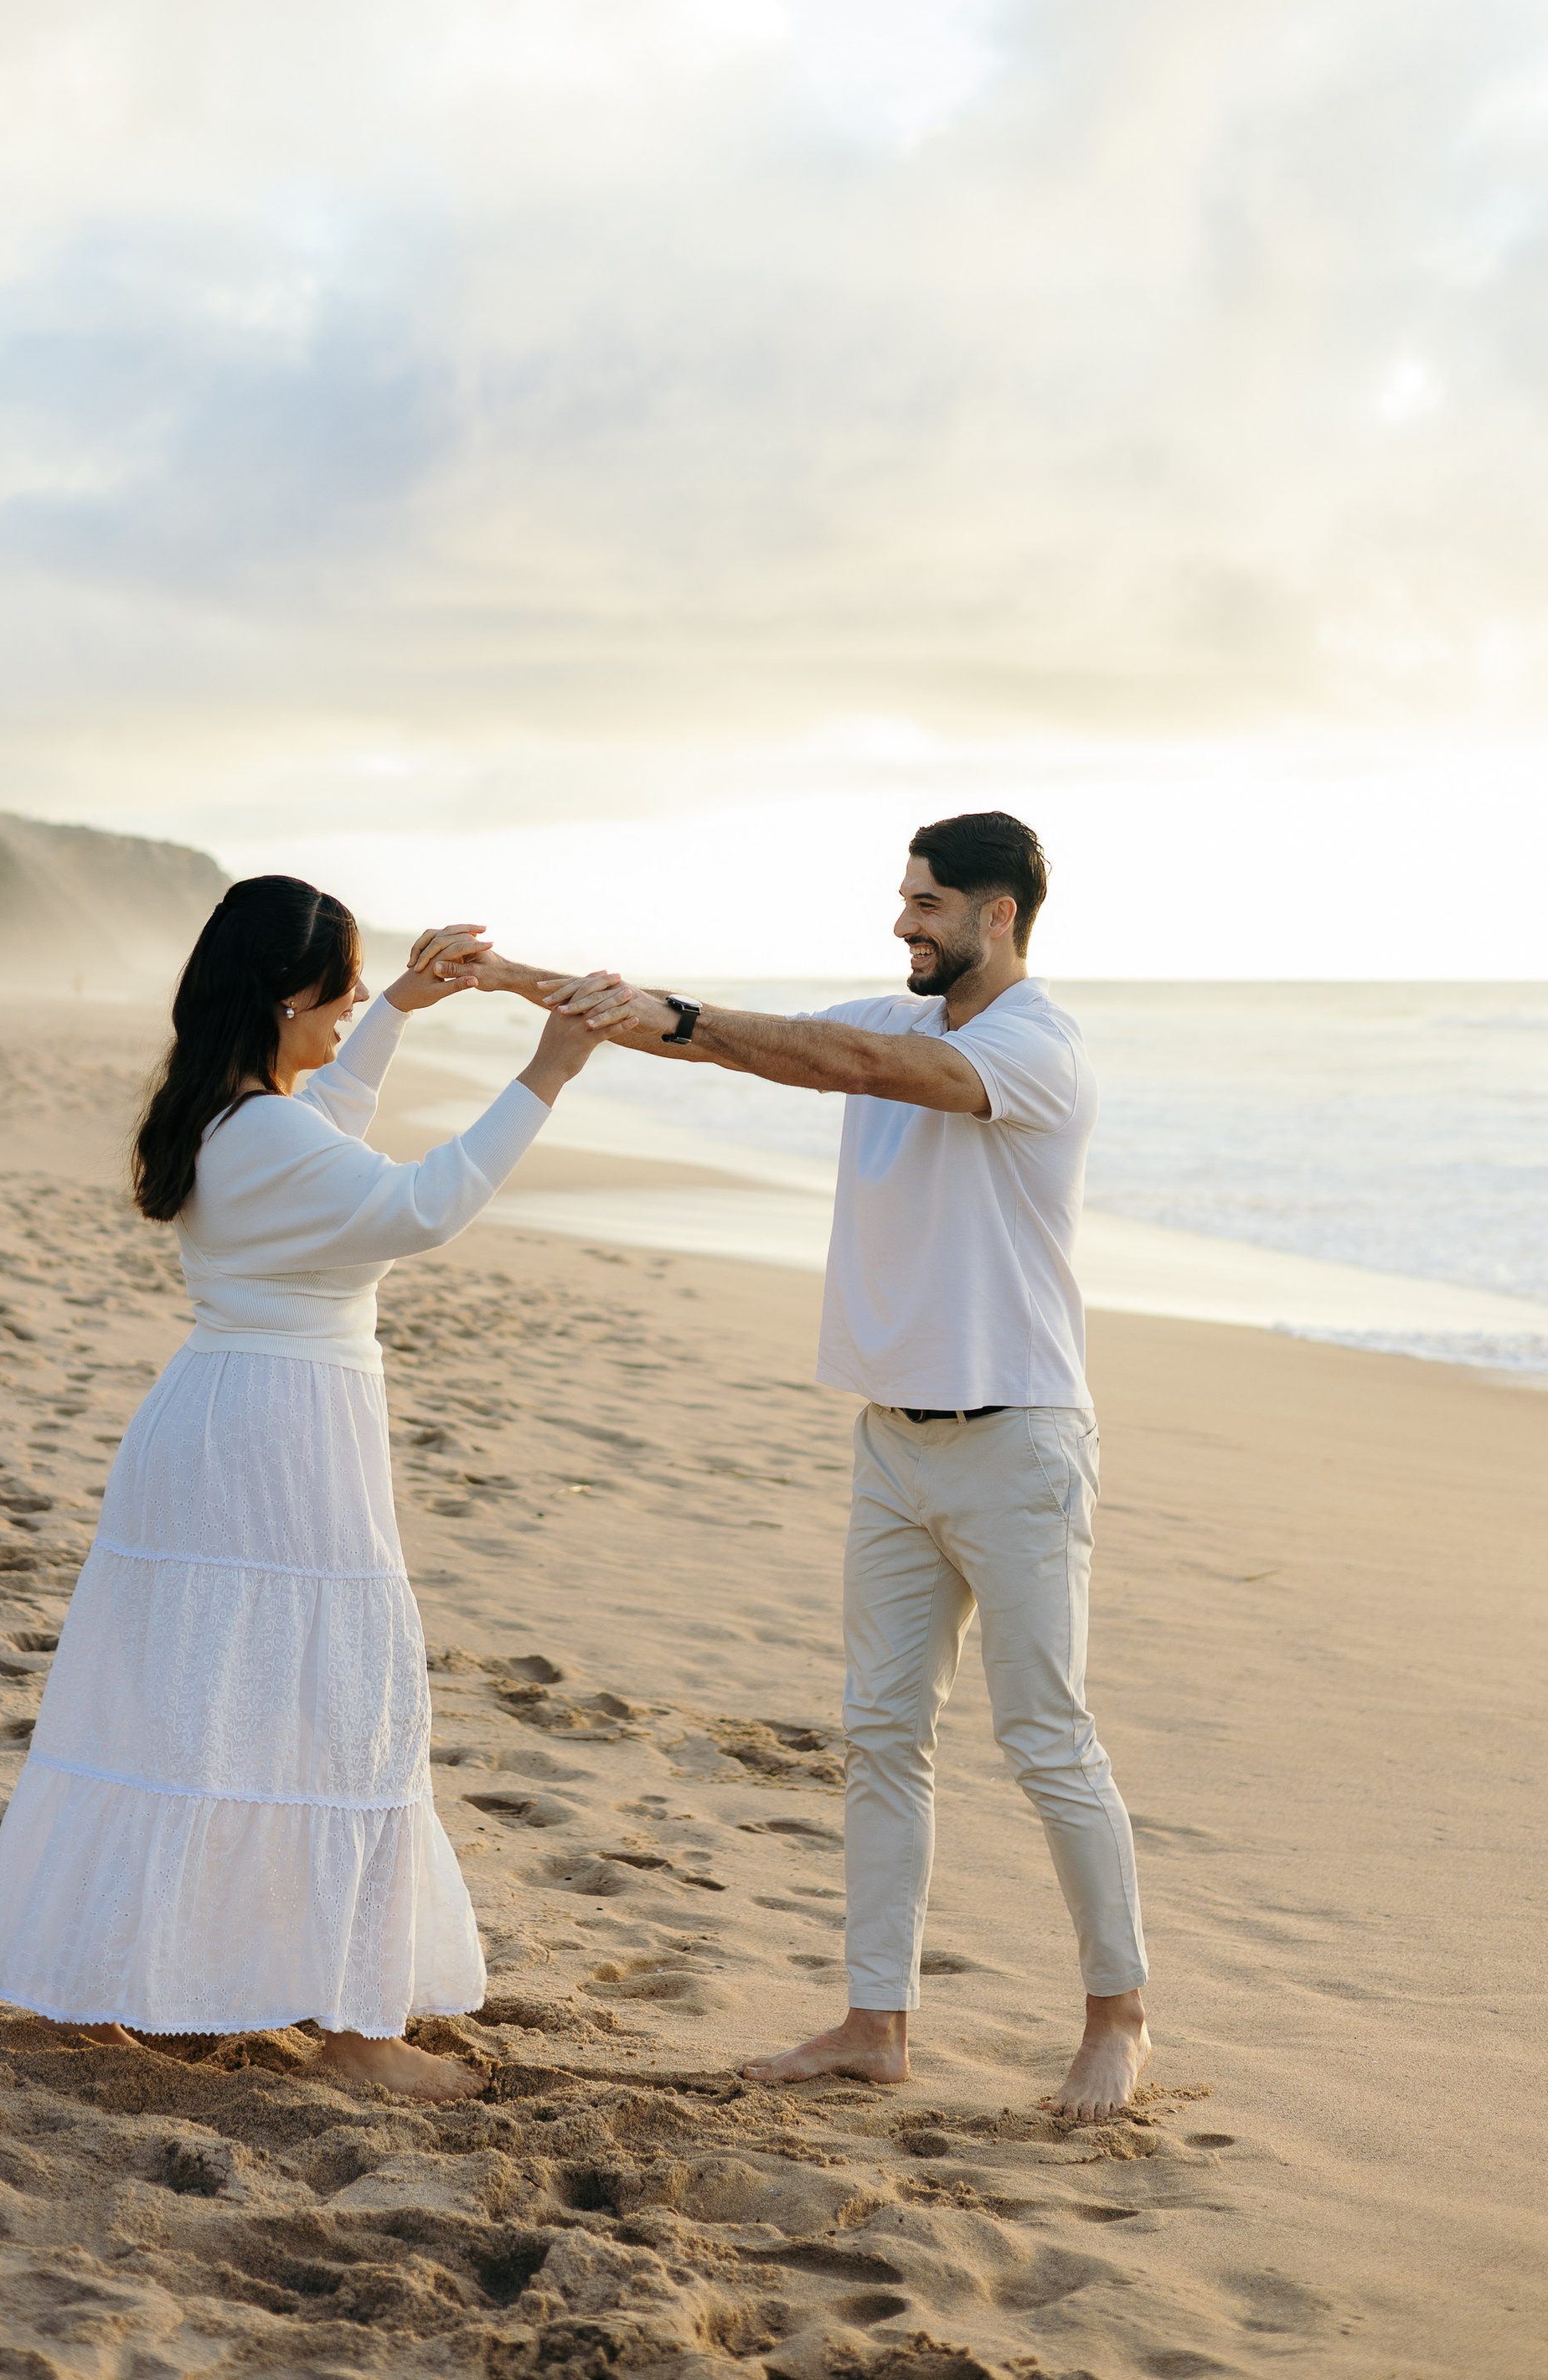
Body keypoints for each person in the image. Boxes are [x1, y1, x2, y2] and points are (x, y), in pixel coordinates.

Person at [481, 811, 1148, 2117]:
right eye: (902, 899)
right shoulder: (893, 1019)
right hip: (892, 1445)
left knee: (1046, 1740)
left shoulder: (1035, 1048)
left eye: (928, 905)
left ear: (998, 916)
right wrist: (532, 985)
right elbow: (767, 1046)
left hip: (1018, 1446)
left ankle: (1119, 2018)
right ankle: (872, 2023)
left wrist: (679, 1016)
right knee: (882, 1739)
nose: (903, 922)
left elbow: (847, 1061)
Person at [0, 875, 616, 2099]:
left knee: (180, 1707)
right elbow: (420, 1207)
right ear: (279, 996)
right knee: (338, 1709)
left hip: (221, 1425)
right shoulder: (263, 1131)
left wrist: (403, 1012)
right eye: (345, 988)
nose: (357, 1002)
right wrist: (549, 1072)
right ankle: (361, 2037)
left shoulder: (226, 1111)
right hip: (280, 1444)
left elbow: (324, 1121)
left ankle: (116, 1979)